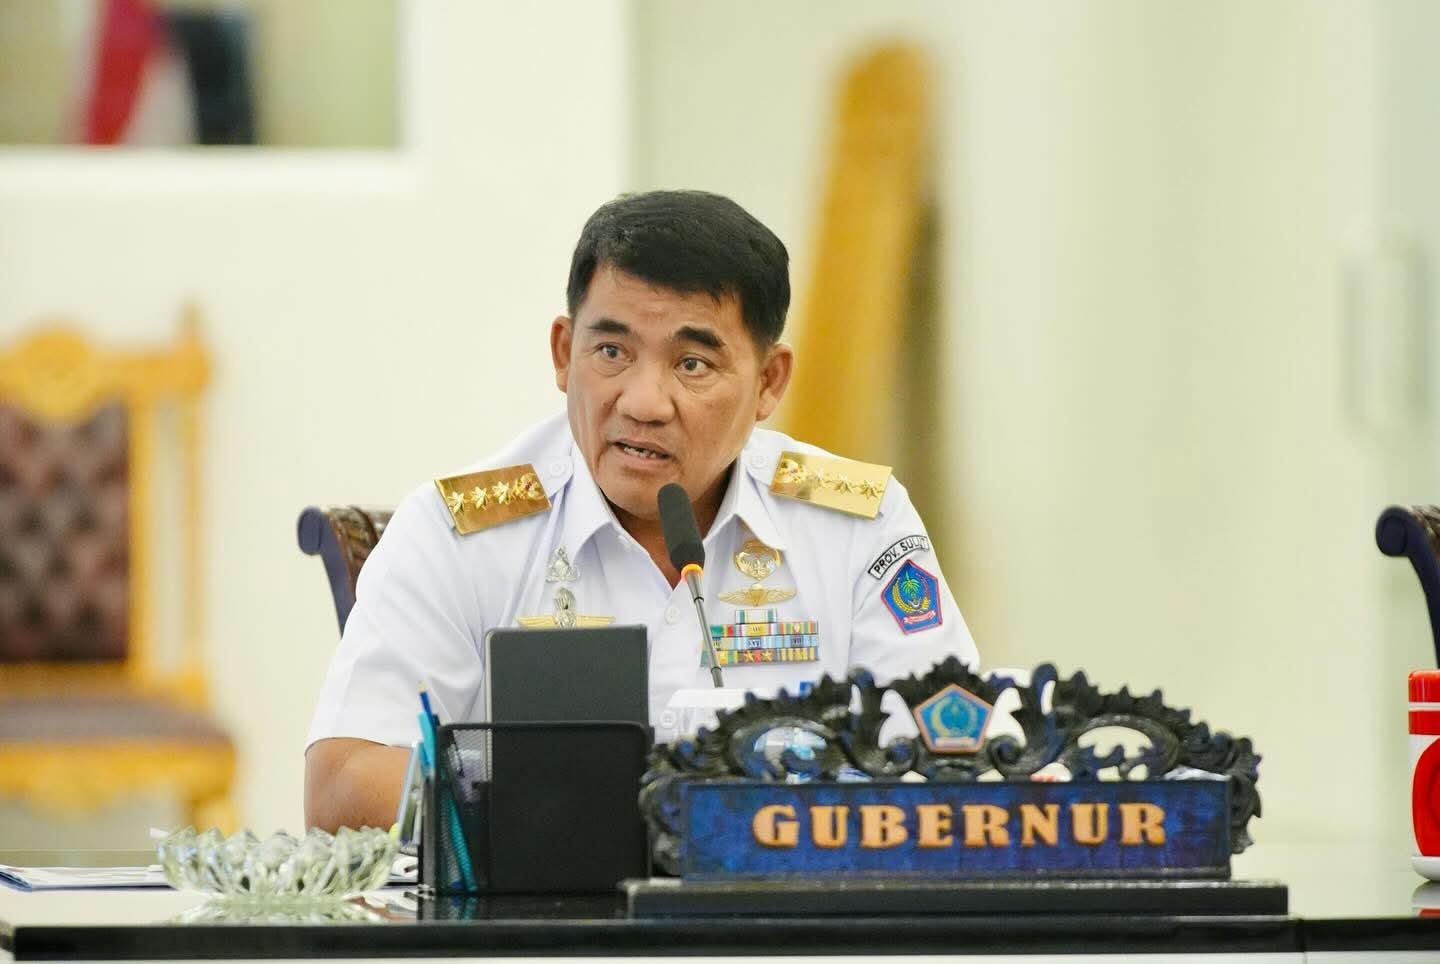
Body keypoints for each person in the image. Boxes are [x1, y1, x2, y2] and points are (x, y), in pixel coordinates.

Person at [304, 190, 979, 832]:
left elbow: (955, 756)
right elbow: (342, 784)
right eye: (612, 352)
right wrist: (554, 792)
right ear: (564, 353)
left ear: (769, 382)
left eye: (692, 364)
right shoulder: (458, 532)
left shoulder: (857, 525)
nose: (644, 402)